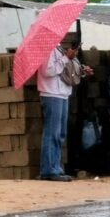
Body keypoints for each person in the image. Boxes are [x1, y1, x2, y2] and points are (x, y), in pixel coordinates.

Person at [38, 41, 93, 182]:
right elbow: (47, 70)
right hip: (51, 93)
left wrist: (81, 71)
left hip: (62, 94)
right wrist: (65, 58)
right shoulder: (47, 47)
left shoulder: (58, 48)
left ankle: (56, 168)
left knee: (60, 134)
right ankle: (49, 170)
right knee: (52, 133)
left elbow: (66, 71)